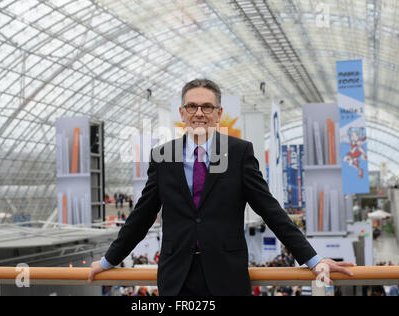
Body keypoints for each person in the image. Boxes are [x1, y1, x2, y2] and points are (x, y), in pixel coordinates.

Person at [89, 79, 355, 296]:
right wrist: (107, 261)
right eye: (192, 106)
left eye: (207, 107)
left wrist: (313, 259)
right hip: (176, 279)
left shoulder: (238, 153)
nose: (199, 113)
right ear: (181, 113)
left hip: (226, 277)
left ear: (218, 114)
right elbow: (142, 215)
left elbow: (270, 209)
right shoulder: (162, 156)